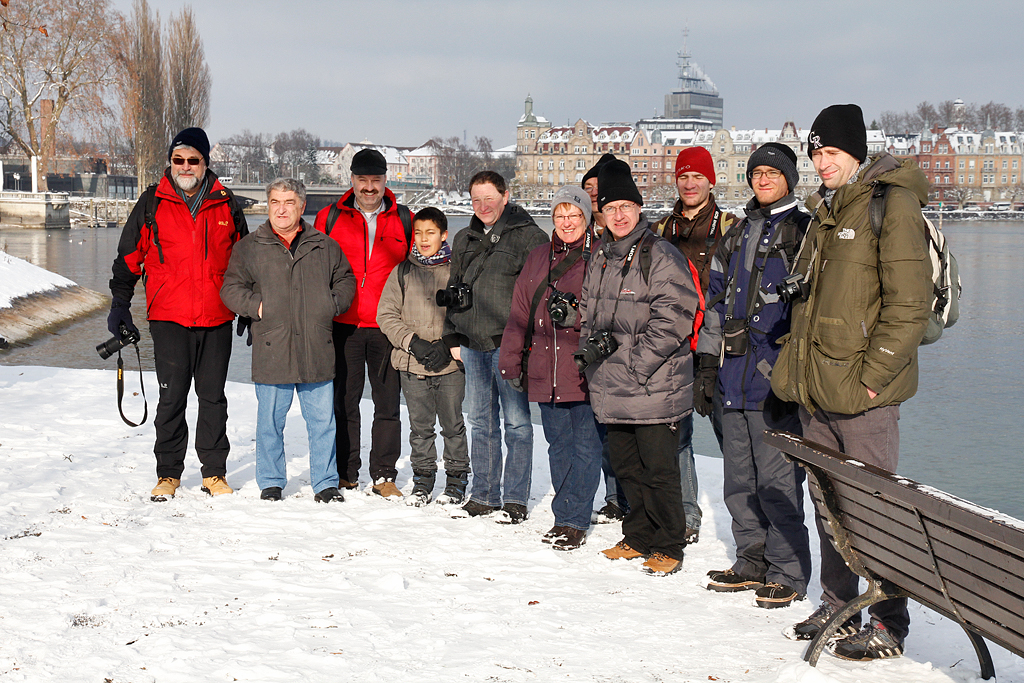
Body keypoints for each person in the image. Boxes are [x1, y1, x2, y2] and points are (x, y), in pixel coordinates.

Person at [772, 104, 932, 660]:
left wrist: (871, 379)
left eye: (831, 152)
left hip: (863, 397)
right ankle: (838, 602)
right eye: (816, 153)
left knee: (876, 509)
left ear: (856, 153)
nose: (821, 163)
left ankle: (889, 621)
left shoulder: (893, 205)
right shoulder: (826, 211)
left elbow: (909, 306)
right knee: (828, 504)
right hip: (819, 389)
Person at [695, 143, 811, 608]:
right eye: (756, 172)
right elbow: (715, 303)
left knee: (778, 481)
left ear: (789, 179)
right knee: (738, 477)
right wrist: (707, 365)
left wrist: (796, 379)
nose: (763, 180)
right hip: (733, 377)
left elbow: (810, 310)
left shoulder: (804, 231)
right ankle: (751, 559)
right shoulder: (737, 233)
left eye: (772, 173)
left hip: (776, 379)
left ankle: (788, 570)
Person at [108, 127, 247, 501]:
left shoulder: (227, 204)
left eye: (193, 160)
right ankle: (168, 473)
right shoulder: (151, 203)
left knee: (213, 397)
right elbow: (128, 260)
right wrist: (120, 304)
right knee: (171, 398)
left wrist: (248, 305)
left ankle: (214, 473)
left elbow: (245, 262)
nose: (185, 166)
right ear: (170, 162)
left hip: (216, 317)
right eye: (178, 160)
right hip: (168, 317)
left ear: (205, 163)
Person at [580, 159, 698, 575]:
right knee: (626, 466)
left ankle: (669, 543)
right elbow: (588, 315)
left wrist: (636, 366)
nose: (619, 215)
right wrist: (588, 357)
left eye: (626, 207)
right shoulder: (600, 256)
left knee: (660, 469)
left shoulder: (660, 254)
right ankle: (638, 534)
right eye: (611, 208)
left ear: (638, 208)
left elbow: (676, 318)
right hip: (613, 384)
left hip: (652, 385)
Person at [220, 179, 355, 503]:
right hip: (272, 346)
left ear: (301, 206)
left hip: (315, 346)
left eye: (289, 202)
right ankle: (271, 481)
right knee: (269, 422)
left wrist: (330, 305)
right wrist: (257, 307)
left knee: (323, 422)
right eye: (275, 202)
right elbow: (230, 288)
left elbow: (346, 279)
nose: (281, 209)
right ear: (268, 205)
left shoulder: (324, 245)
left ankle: (325, 482)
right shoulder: (250, 247)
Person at [499, 186, 601, 550]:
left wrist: (579, 317)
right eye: (560, 216)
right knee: (558, 446)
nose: (567, 222)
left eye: (574, 215)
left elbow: (607, 313)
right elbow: (519, 312)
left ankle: (574, 519)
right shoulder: (538, 256)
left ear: (586, 218)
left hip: (583, 366)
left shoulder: (600, 256)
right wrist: (510, 359)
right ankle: (565, 513)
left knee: (587, 446)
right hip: (544, 365)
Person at [442, 171, 547, 523]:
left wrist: (530, 344)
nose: (483, 206)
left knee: (517, 423)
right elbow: (453, 289)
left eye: (490, 198)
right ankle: (484, 494)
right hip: (472, 343)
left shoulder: (530, 237)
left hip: (510, 343)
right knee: (482, 422)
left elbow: (538, 298)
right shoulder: (464, 238)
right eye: (476, 200)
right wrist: (451, 336)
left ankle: (515, 498)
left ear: (505, 196)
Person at [314, 149, 411, 498]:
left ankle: (384, 474)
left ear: (386, 180)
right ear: (351, 179)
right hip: (343, 324)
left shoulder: (403, 219)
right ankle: (345, 471)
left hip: (387, 327)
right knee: (343, 402)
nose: (369, 187)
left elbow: (417, 274)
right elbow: (313, 271)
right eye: (363, 180)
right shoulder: (328, 218)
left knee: (387, 404)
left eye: (376, 180)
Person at [652, 146, 736, 544]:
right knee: (676, 435)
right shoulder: (661, 229)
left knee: (731, 436)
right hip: (672, 345)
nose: (689, 183)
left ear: (710, 180)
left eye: (697, 177)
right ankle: (687, 514)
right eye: (683, 176)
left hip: (718, 348)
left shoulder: (730, 227)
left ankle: (746, 522)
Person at [377, 207, 470, 506]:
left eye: (430, 232)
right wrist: (412, 342)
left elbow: (468, 314)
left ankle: (456, 479)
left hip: (450, 365)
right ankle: (423, 479)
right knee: (420, 427)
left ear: (443, 235)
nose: (423, 239)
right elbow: (386, 315)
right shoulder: (403, 272)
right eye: (418, 233)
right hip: (412, 363)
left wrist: (448, 342)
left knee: (453, 424)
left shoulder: (457, 270)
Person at [581, 154, 629, 525]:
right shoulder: (583, 235)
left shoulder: (630, 236)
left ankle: (679, 514)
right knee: (604, 434)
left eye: (601, 191)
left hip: (628, 353)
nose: (595, 197)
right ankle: (614, 498)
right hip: (593, 350)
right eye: (590, 191)